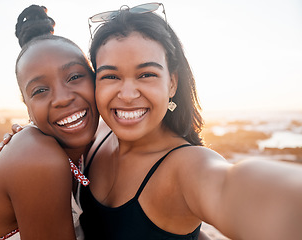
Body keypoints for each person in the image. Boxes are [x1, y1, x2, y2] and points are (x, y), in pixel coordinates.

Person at [77, 3, 302, 240]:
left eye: (147, 75)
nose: (128, 94)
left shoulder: (186, 167)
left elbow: (232, 186)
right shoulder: (97, 135)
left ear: (172, 83)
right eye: (110, 76)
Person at [0, 5, 99, 240]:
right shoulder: (38, 158)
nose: (62, 98)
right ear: (27, 107)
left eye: (74, 77)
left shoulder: (100, 139)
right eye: (40, 90)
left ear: (96, 78)